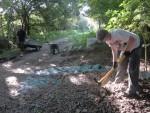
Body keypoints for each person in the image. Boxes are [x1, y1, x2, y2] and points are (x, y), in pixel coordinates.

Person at [96, 28, 143, 97]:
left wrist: (127, 51)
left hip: (135, 46)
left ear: (106, 35)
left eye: (105, 39)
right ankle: (117, 83)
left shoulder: (118, 33)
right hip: (126, 48)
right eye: (104, 41)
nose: (105, 41)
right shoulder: (108, 41)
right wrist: (114, 62)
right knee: (120, 65)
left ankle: (133, 90)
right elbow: (114, 50)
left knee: (132, 69)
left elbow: (132, 40)